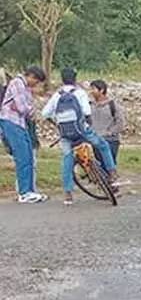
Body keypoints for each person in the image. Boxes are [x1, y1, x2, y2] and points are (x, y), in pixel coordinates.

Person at [40, 67, 118, 205]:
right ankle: (112, 172)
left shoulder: (57, 95)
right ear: (75, 79)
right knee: (103, 145)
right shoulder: (80, 93)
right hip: (81, 130)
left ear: (62, 79)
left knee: (67, 160)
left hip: (65, 133)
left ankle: (68, 194)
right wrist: (88, 125)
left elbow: (45, 113)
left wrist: (57, 123)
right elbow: (87, 112)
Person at [0, 65, 48, 203]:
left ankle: (31, 190)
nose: (36, 85)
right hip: (11, 122)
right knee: (22, 157)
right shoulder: (18, 83)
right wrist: (28, 109)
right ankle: (23, 192)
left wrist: (27, 109)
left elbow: (27, 107)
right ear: (31, 76)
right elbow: (23, 107)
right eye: (37, 81)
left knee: (28, 157)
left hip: (21, 123)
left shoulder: (25, 87)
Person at [87, 79, 125, 163]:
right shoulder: (89, 105)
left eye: (93, 89)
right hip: (95, 140)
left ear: (101, 90)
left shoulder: (113, 105)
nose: (91, 92)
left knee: (109, 165)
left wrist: (108, 133)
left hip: (110, 141)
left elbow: (120, 123)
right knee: (98, 165)